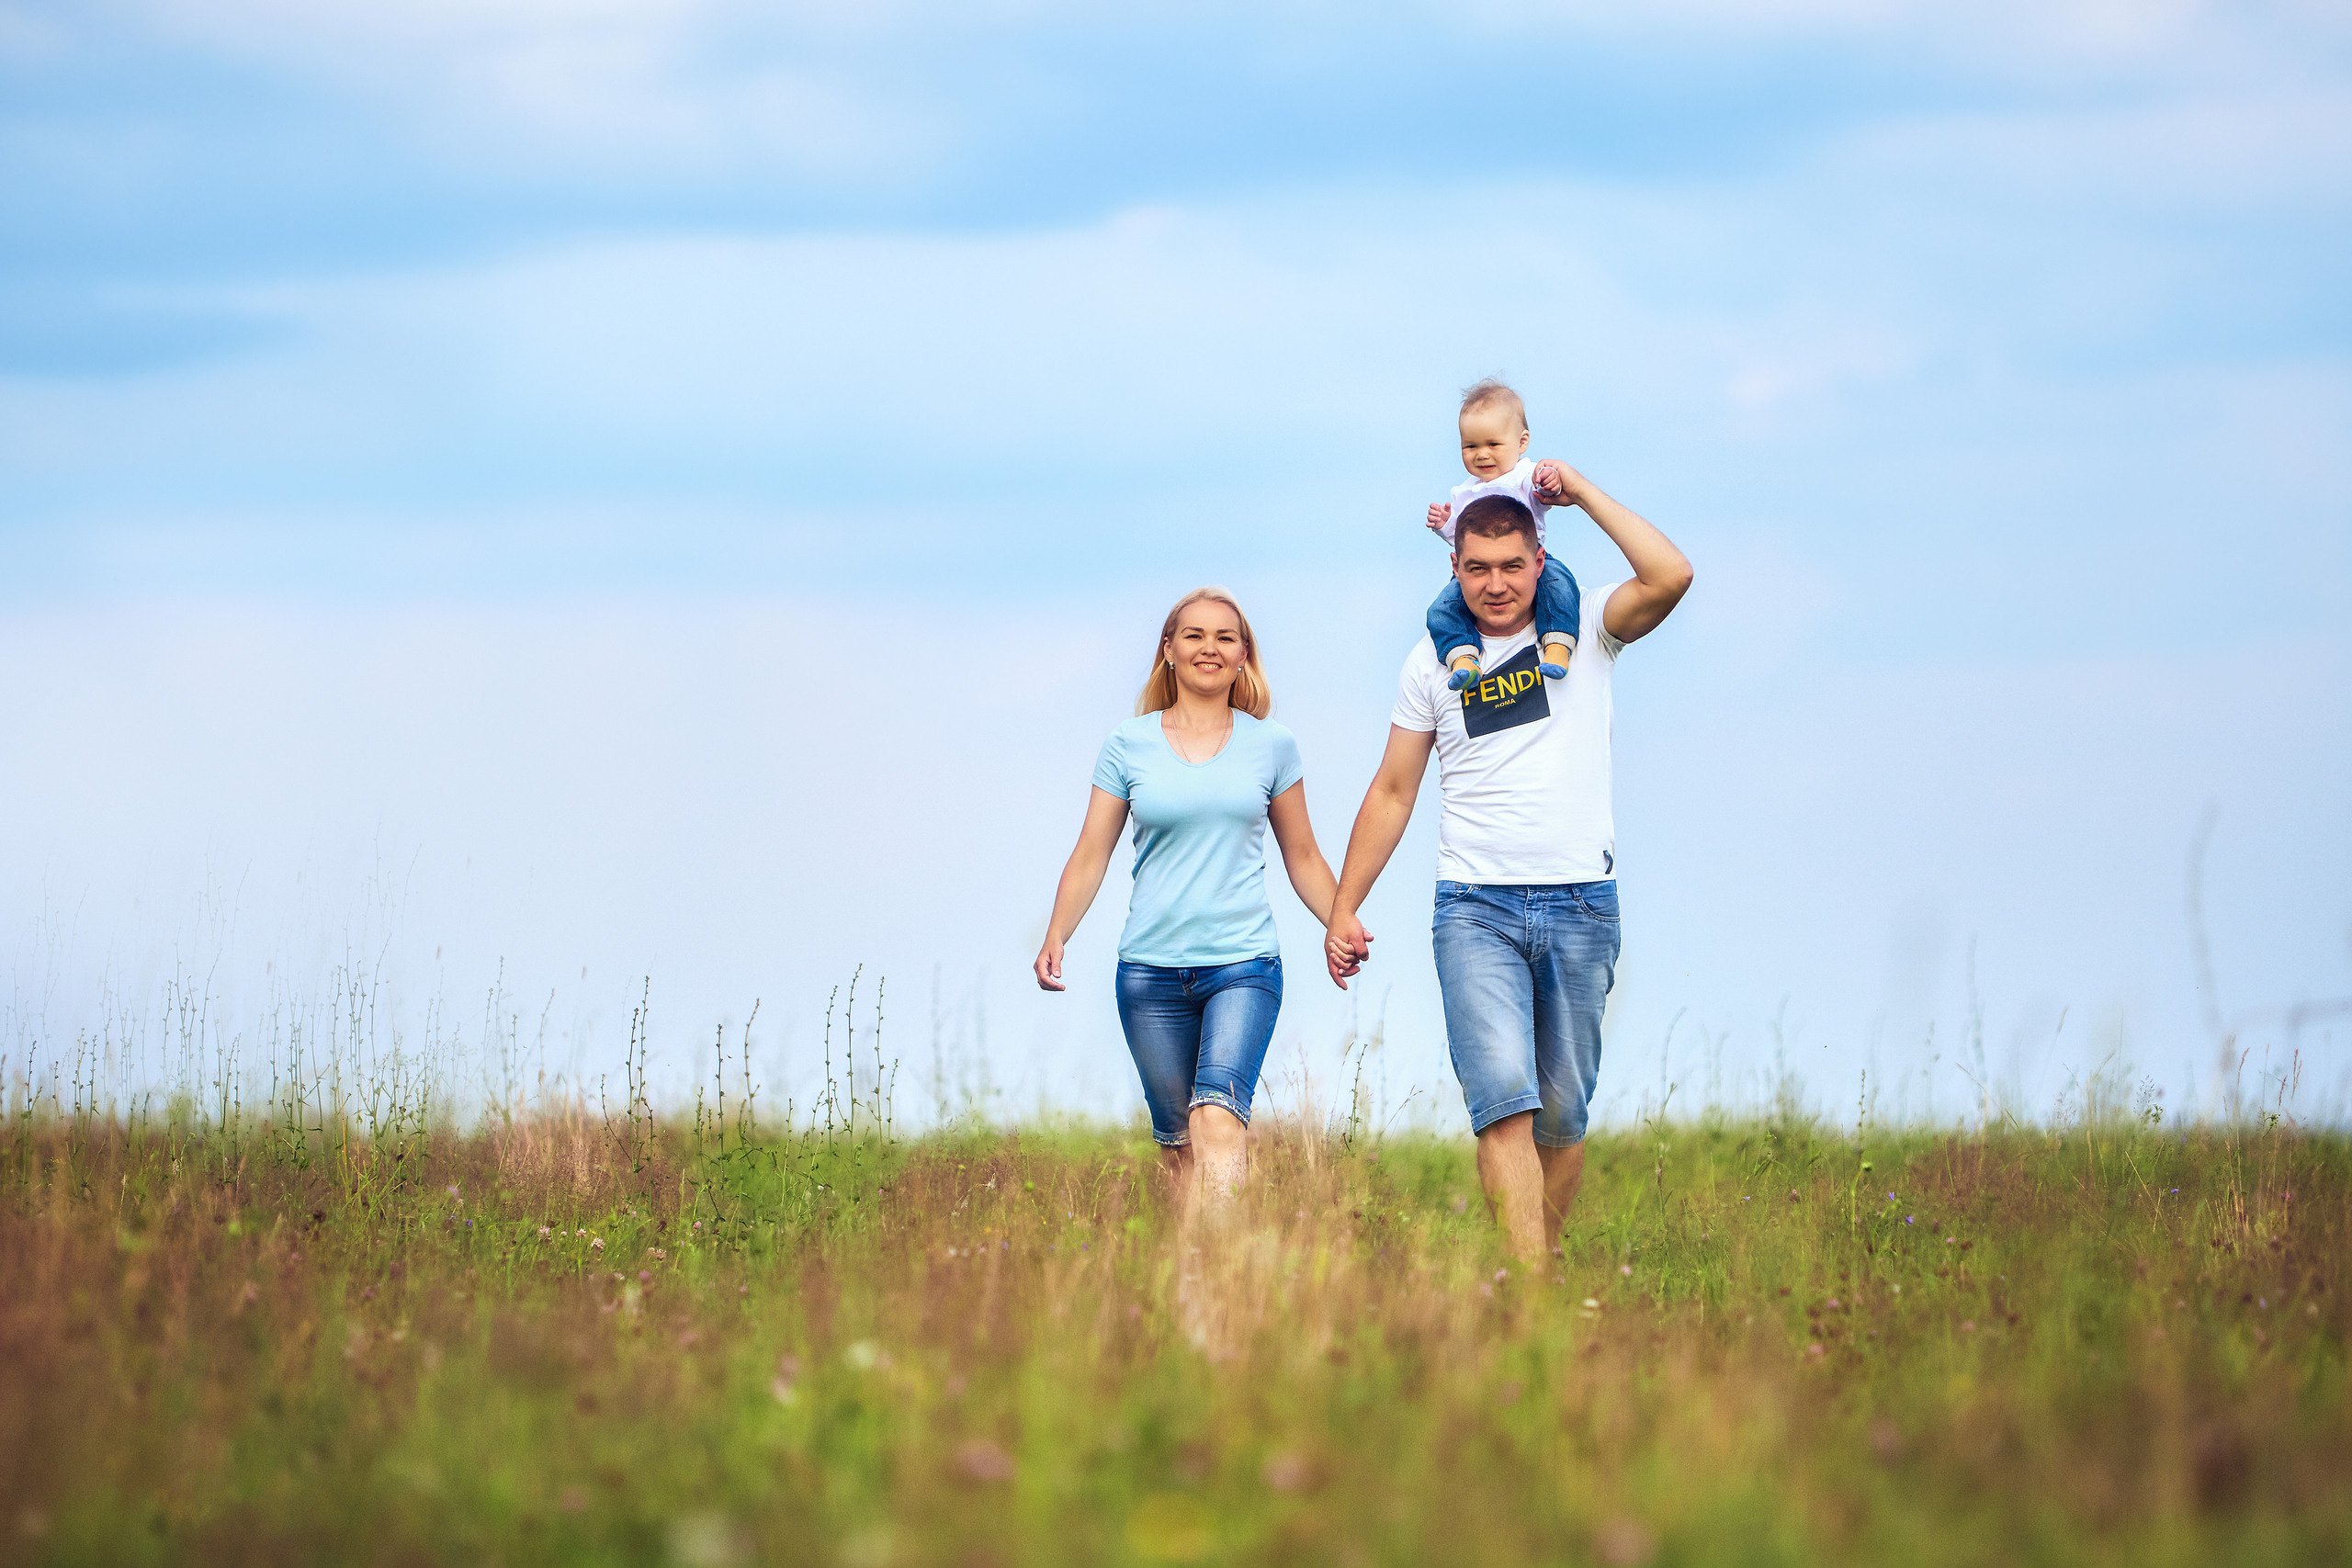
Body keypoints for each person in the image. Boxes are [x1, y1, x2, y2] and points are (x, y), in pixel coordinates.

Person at [1325, 468, 1693, 1264]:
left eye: (1512, 566)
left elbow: (1672, 575)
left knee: (1561, 1120)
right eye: (1477, 568)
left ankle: (1542, 1275)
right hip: (1474, 910)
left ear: (1539, 558)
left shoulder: (1589, 624)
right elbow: (1393, 789)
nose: (1496, 585)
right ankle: (1527, 1299)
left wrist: (1583, 491)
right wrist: (1343, 905)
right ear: (1453, 567)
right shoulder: (1432, 658)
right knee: (1503, 1111)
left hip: (1582, 902)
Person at [1035, 587, 1340, 1208]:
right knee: (1179, 1148)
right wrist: (1056, 933)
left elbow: (1302, 854)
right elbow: (1092, 851)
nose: (1209, 647)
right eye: (1194, 635)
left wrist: (1342, 920)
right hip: (1148, 975)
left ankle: (1222, 1275)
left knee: (1218, 1120)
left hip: (1242, 964)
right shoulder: (1128, 744)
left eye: (1225, 636)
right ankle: (1194, 1287)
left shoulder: (1273, 745)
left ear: (1243, 655)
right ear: (1168, 650)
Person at [1424, 379, 1584, 694]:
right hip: (1477, 570)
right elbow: (1463, 539)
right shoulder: (1463, 492)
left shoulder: (1524, 475)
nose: (1481, 454)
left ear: (1521, 442)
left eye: (1493, 444)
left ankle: (1558, 643)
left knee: (1560, 586)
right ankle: (1462, 657)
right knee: (1441, 608)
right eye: (1470, 446)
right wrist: (1444, 525)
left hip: (1528, 562)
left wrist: (1549, 483)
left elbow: (1541, 490)